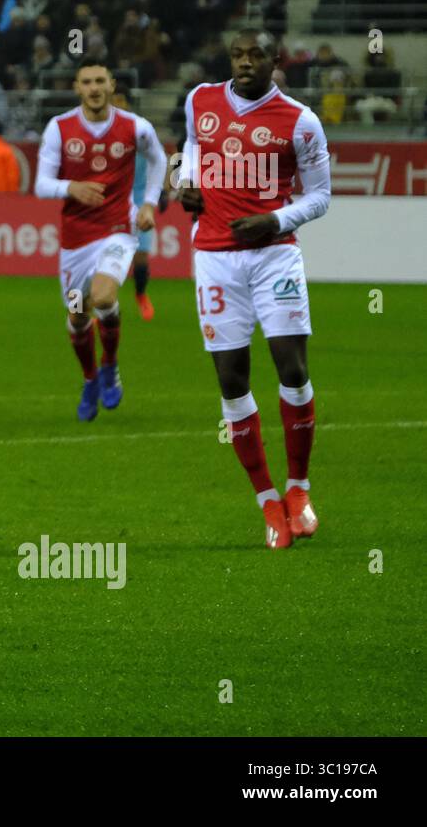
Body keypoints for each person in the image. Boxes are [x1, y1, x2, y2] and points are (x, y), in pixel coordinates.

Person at [172, 29, 330, 550]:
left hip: (274, 255)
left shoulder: (300, 121)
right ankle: (267, 500)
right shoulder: (201, 100)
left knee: (292, 369)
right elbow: (191, 148)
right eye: (238, 54)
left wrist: (275, 218)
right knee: (232, 381)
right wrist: (186, 183)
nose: (245, 62)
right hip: (215, 260)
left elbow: (322, 196)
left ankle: (299, 489)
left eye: (255, 54)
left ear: (274, 59)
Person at [35, 60, 166, 420]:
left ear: (111, 85)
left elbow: (159, 161)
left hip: (117, 231)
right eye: (86, 82)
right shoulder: (59, 128)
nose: (93, 88)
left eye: (100, 81)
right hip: (76, 239)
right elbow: (41, 185)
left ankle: (110, 364)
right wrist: (71, 187)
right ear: (77, 88)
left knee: (105, 296)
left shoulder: (135, 128)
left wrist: (150, 205)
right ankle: (91, 378)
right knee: (78, 315)